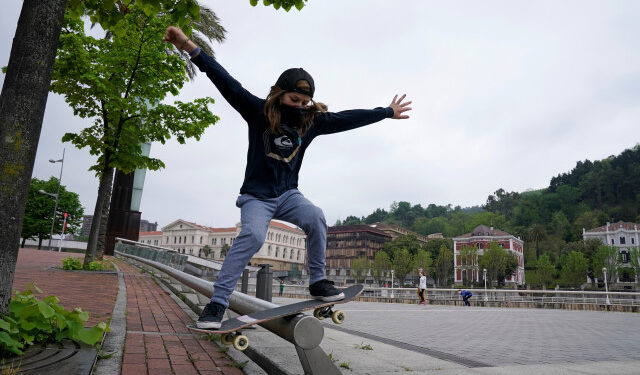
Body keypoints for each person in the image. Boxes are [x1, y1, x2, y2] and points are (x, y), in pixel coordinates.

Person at [163, 26, 412, 330]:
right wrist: (188, 46)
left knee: (316, 217)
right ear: (280, 95)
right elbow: (225, 81)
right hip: (257, 196)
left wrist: (385, 111)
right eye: (294, 100)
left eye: (304, 103)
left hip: (288, 195)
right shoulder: (257, 112)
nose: (299, 107)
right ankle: (217, 304)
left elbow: (348, 118)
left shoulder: (311, 122)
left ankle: (318, 281)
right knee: (253, 236)